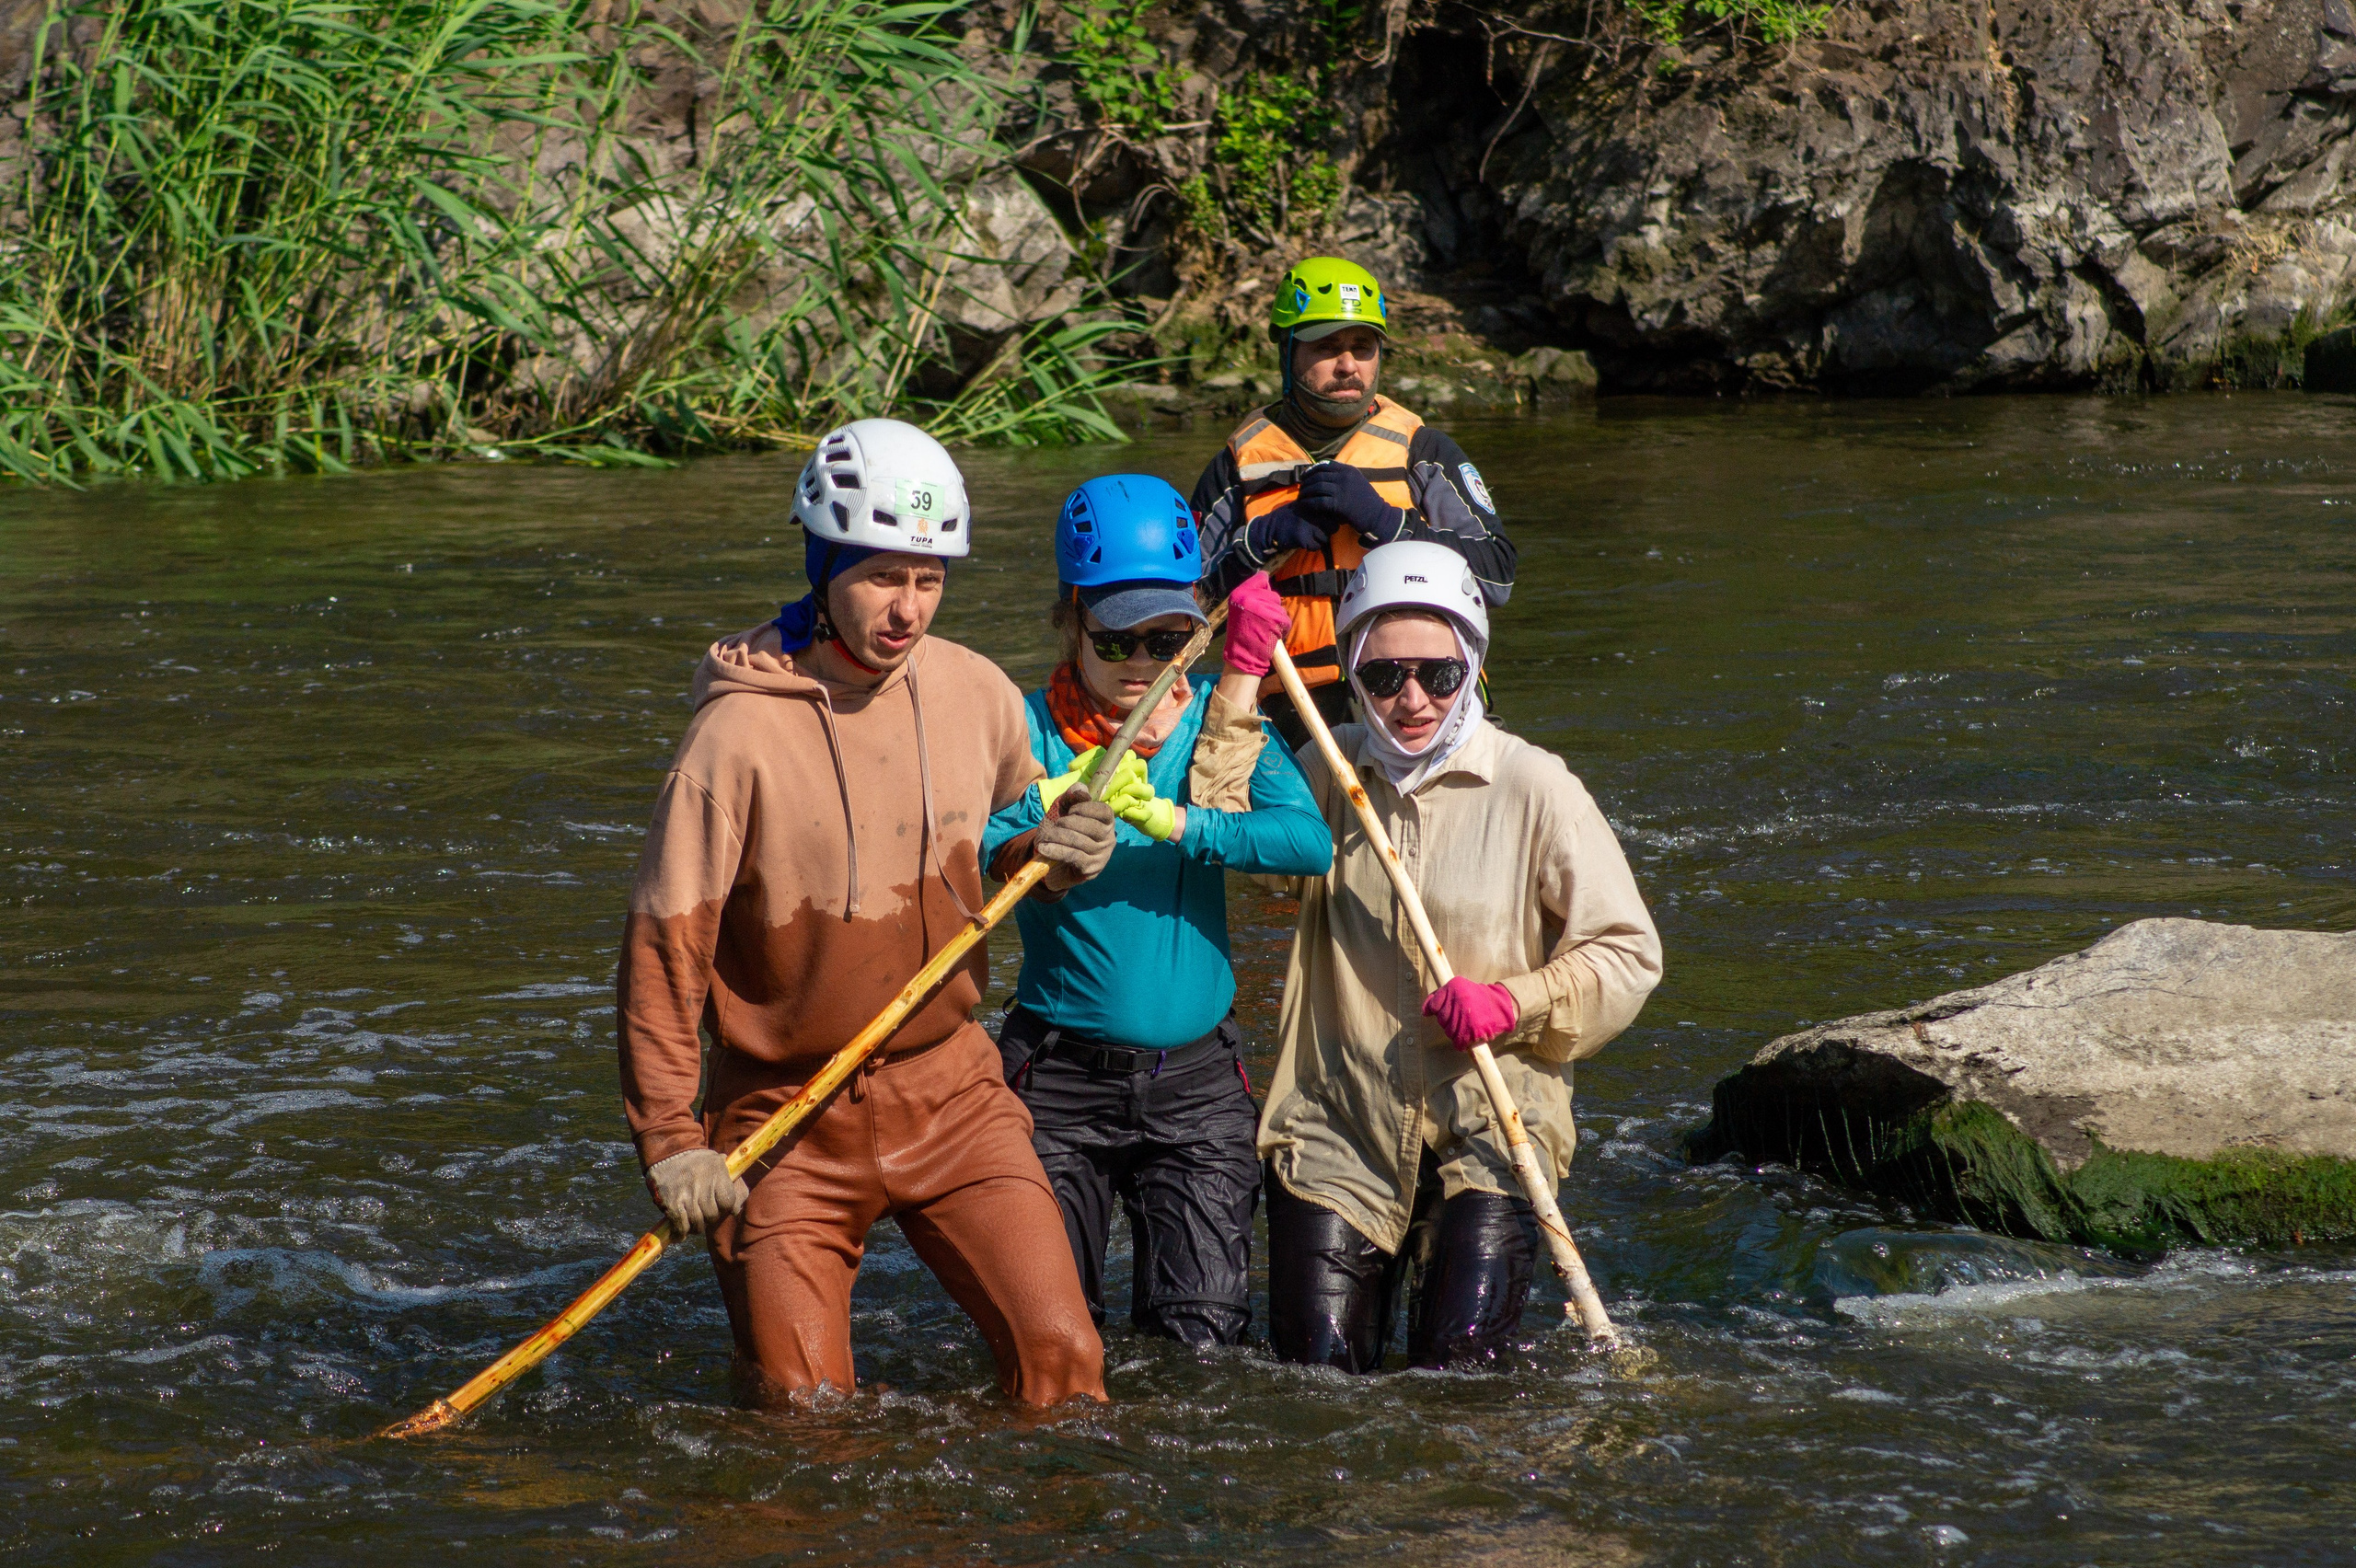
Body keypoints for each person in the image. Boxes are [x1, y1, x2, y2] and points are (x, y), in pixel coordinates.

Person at [615, 418, 1120, 1407]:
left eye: (930, 579)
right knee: (802, 1414)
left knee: (1066, 1366)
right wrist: (672, 1141)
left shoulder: (975, 691)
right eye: (884, 576)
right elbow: (664, 954)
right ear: (823, 564)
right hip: (784, 1116)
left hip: (954, 1091)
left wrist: (1050, 860)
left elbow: (1003, 853)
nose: (908, 608)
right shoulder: (732, 738)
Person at [1255, 540, 1662, 1373]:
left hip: (1492, 1123)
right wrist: (1235, 683)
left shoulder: (1535, 786)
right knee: (1315, 1381)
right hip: (1337, 1122)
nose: (1412, 700)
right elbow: (1222, 825)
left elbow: (1628, 953)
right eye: (1384, 676)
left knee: (1459, 1376)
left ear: (1473, 665)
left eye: (1439, 675)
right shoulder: (1322, 770)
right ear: (1352, 673)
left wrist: (1516, 1001)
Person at [981, 474, 1332, 1346]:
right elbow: (972, 855)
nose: (1141, 661)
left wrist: (1177, 820)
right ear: (1071, 621)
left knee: (1203, 1341)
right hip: (1055, 1078)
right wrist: (1041, 845)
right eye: (1116, 639)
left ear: (1197, 630)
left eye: (1167, 638)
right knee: (1052, 1342)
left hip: (1199, 1086)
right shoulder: (1022, 730)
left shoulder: (1220, 726)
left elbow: (1308, 844)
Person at [1189, 256, 1519, 749]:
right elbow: (1185, 615)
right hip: (1293, 713)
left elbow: (1498, 578)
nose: (1348, 366)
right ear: (1287, 351)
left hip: (1421, 697)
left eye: (1363, 348)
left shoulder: (1425, 452)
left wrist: (1388, 523)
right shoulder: (1236, 467)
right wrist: (1260, 540)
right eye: (1327, 347)